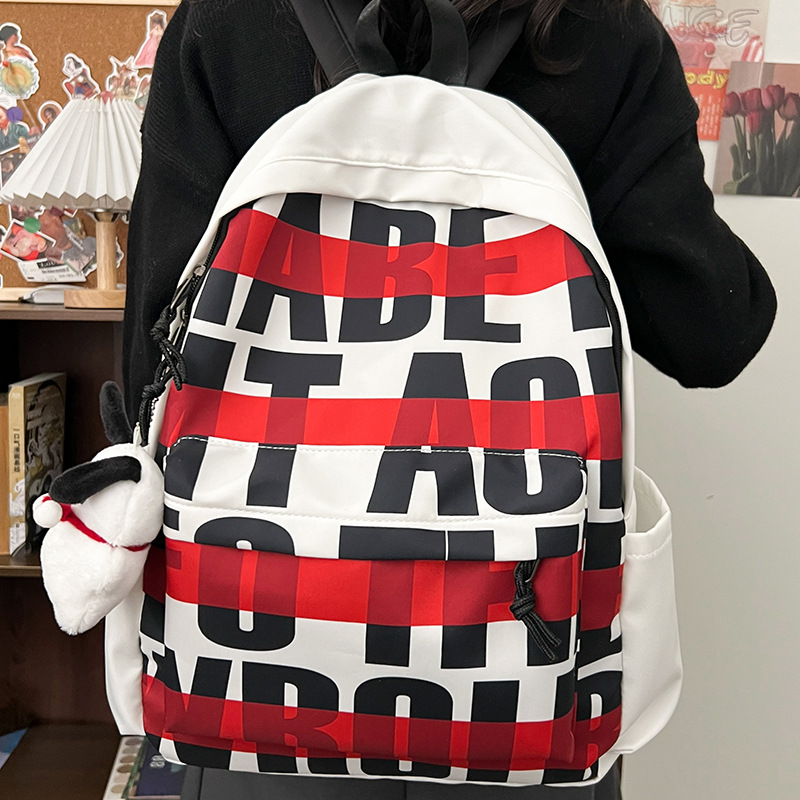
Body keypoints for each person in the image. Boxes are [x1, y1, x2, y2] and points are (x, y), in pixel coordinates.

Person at [122, 1, 777, 798]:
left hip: (253, 680)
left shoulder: (228, 19)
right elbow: (713, 332)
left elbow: (152, 352)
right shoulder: (598, 27)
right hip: (524, 683)